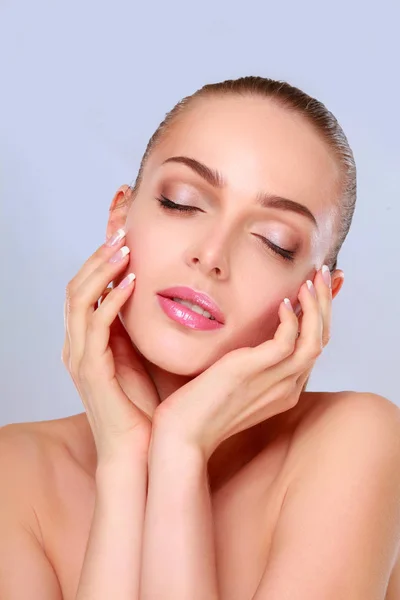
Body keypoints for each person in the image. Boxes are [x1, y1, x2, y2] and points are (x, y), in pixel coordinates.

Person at [1, 75, 400, 600]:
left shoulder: (358, 441)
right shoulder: (13, 474)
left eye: (274, 242)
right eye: (183, 202)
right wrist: (126, 465)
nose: (211, 255)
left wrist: (179, 451)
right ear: (120, 216)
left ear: (320, 294)